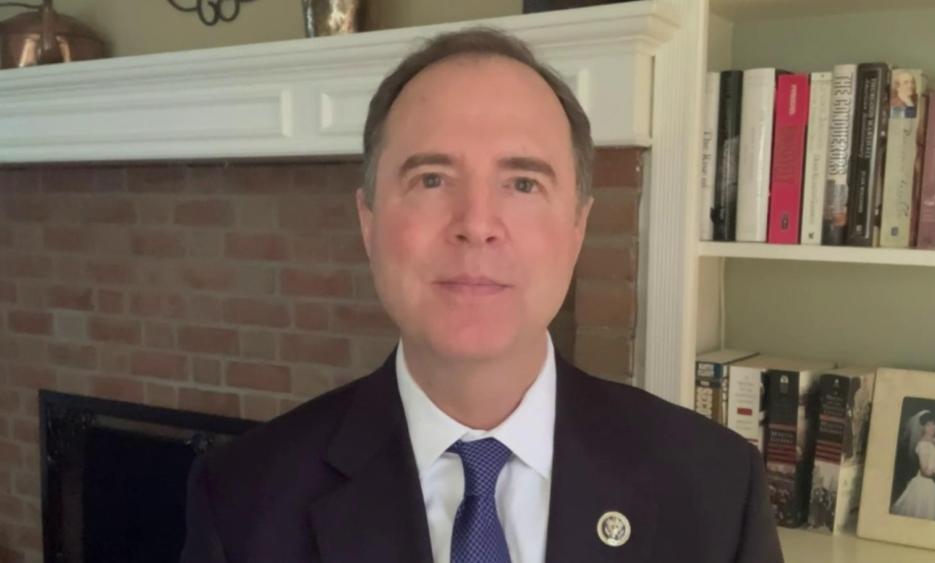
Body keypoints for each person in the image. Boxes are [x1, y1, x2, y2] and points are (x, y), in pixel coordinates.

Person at [179, 27, 782, 563]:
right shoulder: (242, 499)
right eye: (431, 179)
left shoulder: (717, 488)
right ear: (369, 221)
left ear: (577, 226)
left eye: (523, 183)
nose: (476, 223)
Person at [891, 411, 935, 520]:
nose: (932, 428)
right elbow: (924, 471)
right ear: (923, 427)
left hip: (934, 485)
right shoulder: (923, 444)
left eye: (934, 424)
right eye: (928, 425)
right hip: (924, 484)